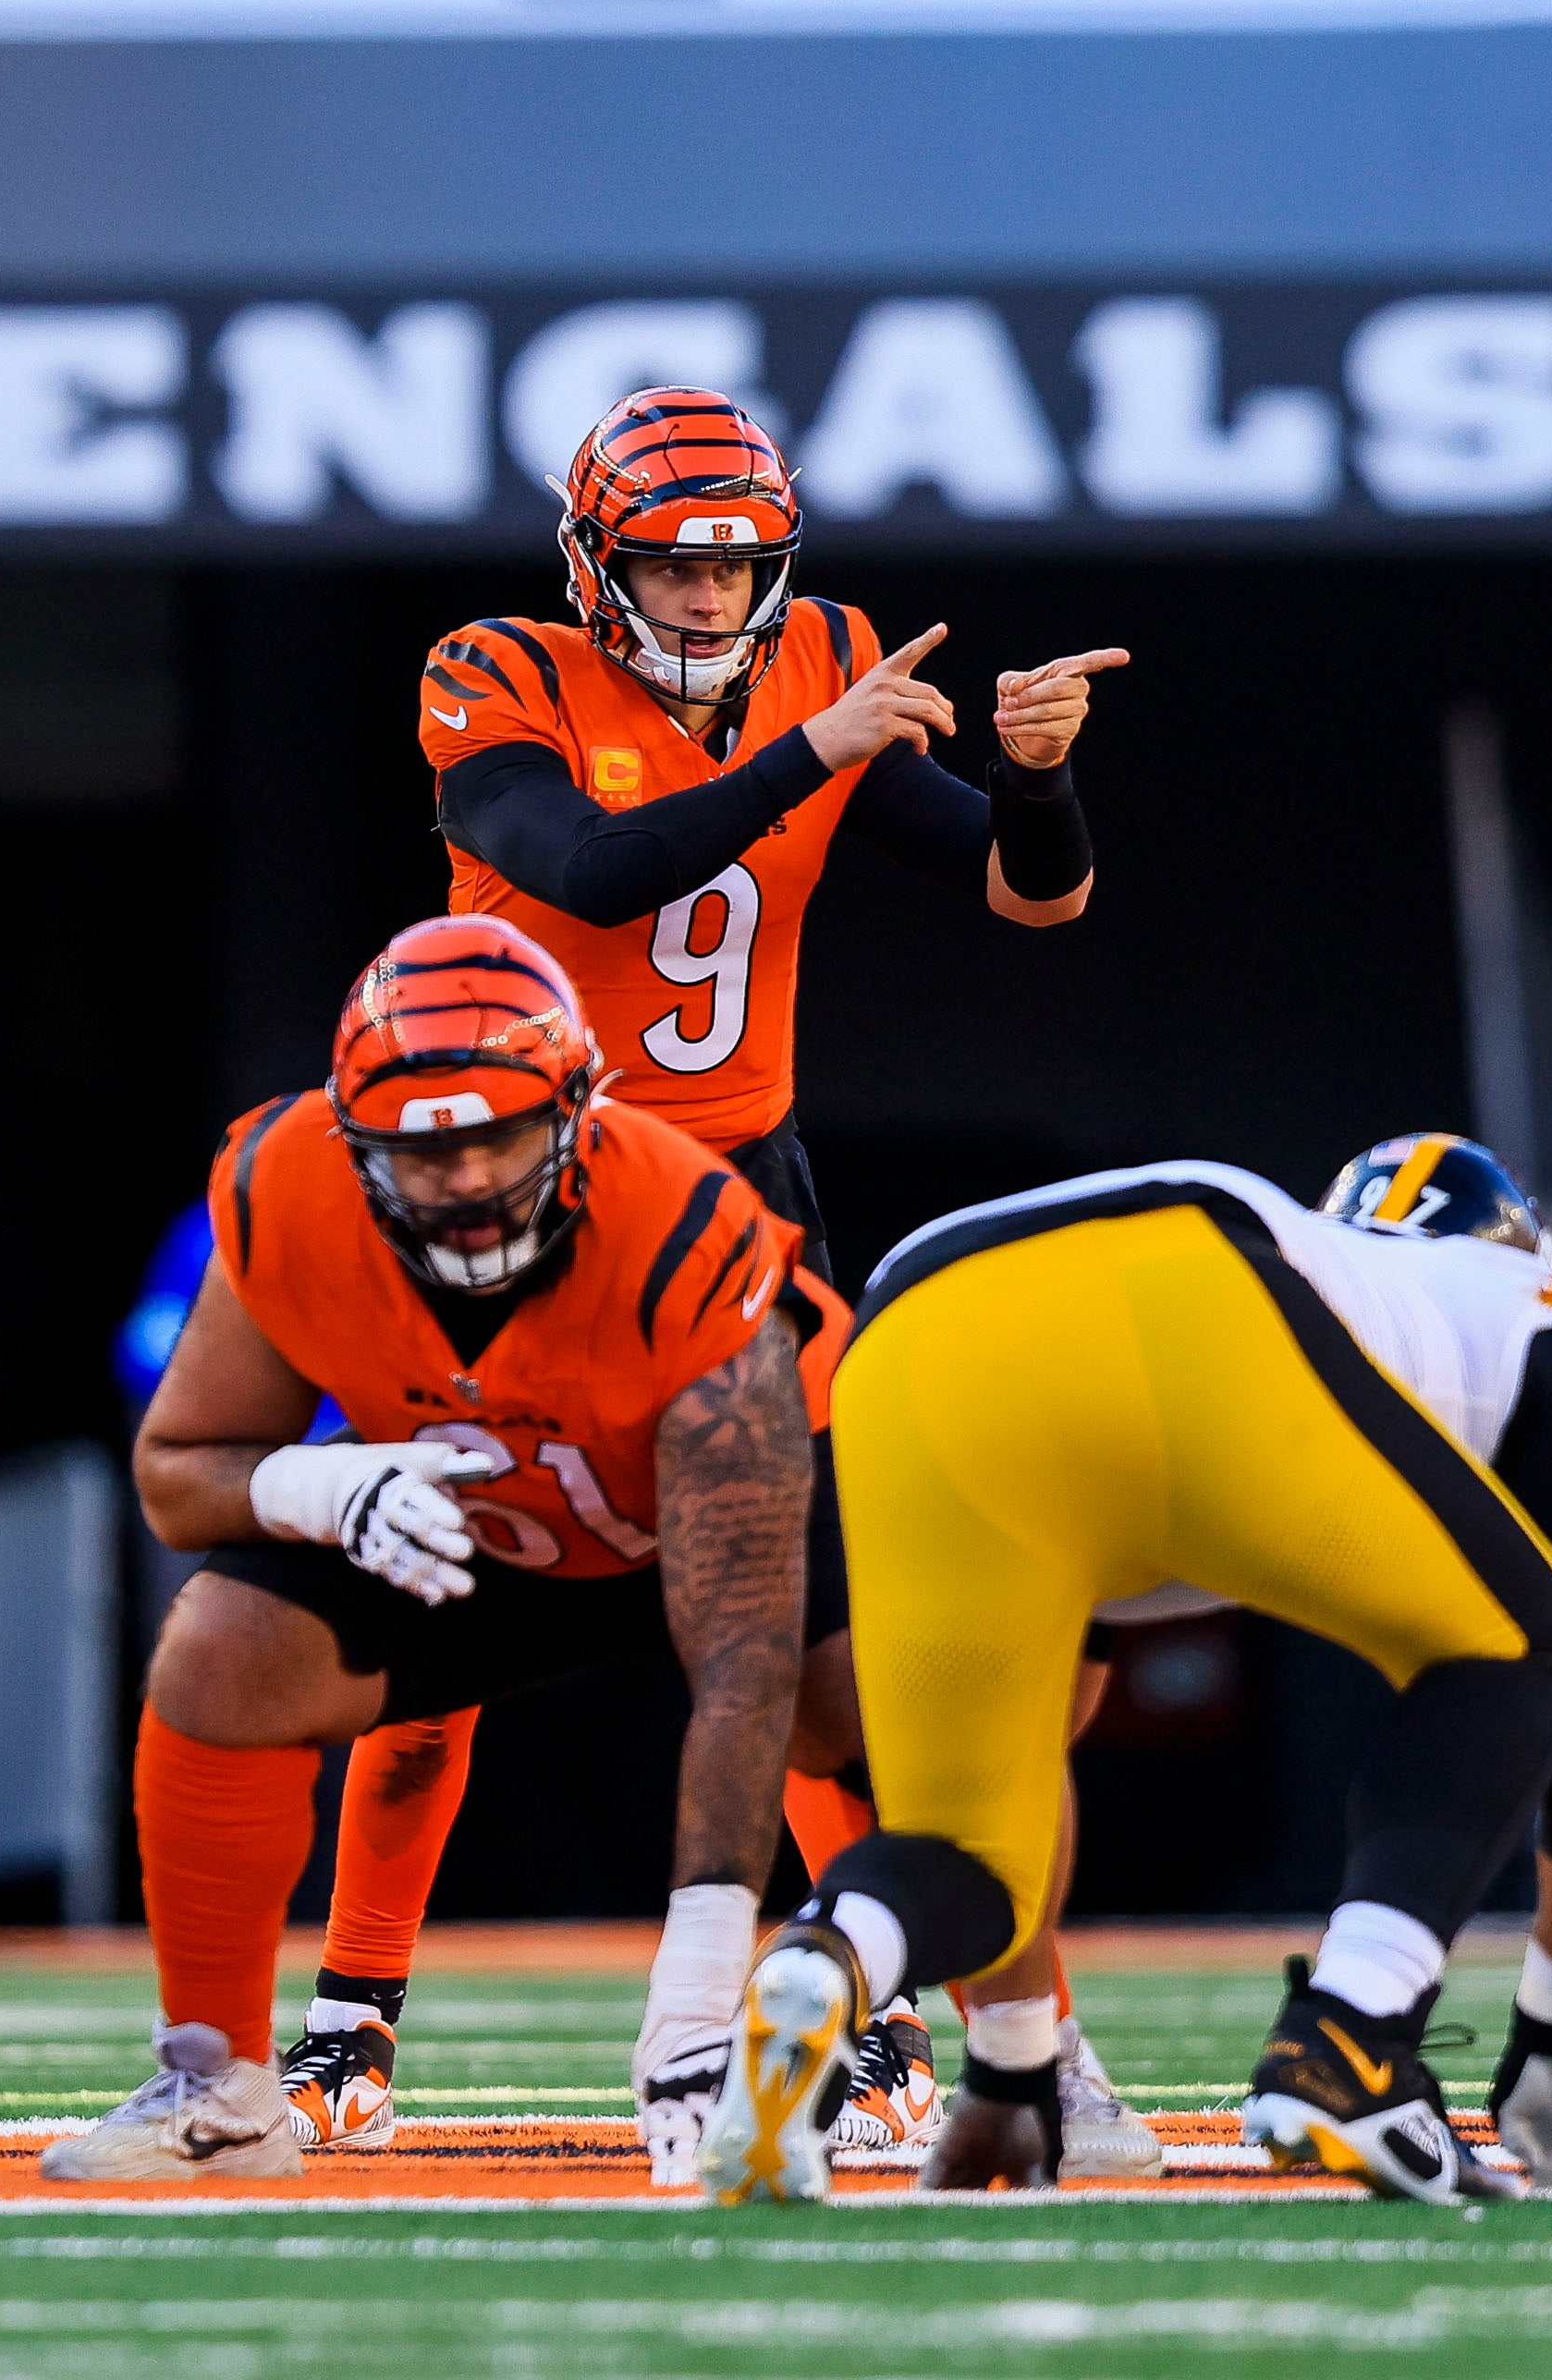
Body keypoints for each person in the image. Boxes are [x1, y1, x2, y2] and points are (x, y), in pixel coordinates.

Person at [287, 385, 1122, 2161]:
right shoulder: (494, 671)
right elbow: (592, 869)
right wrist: (813, 750)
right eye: (669, 564)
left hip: (736, 1198)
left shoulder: (809, 660)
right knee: (437, 1593)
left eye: (734, 562)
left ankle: (888, 2010)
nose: (704, 596)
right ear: (596, 564)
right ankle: (347, 2013)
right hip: (515, 1175)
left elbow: (1022, 892)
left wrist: (1036, 772)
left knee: (809, 1612)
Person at [47, 914, 839, 2188]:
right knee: (220, 1646)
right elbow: (176, 1472)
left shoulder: (686, 1219)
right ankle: (220, 2083)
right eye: (424, 1148)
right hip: (487, 1523)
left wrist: (695, 2011)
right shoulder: (285, 1184)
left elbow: (744, 1654)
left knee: (866, 1695)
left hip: (695, 1522)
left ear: (581, 1116)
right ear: (351, 1147)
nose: (467, 1175)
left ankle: (1032, 2056)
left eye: (502, 1134)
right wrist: (325, 1483)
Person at [700, 1153, 1552, 2207]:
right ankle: (1349, 2029)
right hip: (1179, 1334)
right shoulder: (1536, 1322)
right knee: (1521, 1647)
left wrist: (1016, 2066)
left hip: (905, 1334)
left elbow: (1035, 1726)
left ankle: (834, 1953)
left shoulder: (1325, 1262)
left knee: (974, 1827)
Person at [1314, 1133, 1552, 2194]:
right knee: (1546, 1661)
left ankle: (1017, 2053)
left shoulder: (1304, 1272)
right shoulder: (1534, 1307)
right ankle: (1351, 2024)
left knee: (1012, 1704)